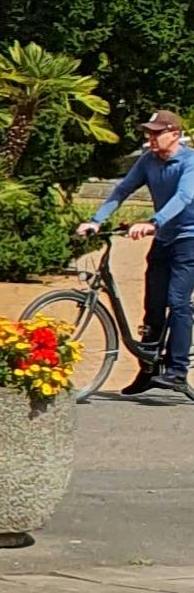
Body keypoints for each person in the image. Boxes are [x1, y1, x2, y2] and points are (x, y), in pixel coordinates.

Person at [77, 109, 193, 398]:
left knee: (177, 301)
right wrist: (96, 220)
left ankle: (177, 371)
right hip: (165, 239)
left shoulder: (190, 162)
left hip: (189, 239)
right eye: (149, 133)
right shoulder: (148, 161)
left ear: (175, 134)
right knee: (153, 304)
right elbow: (122, 190)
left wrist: (152, 222)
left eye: (157, 133)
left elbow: (183, 197)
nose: (151, 138)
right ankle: (149, 370)